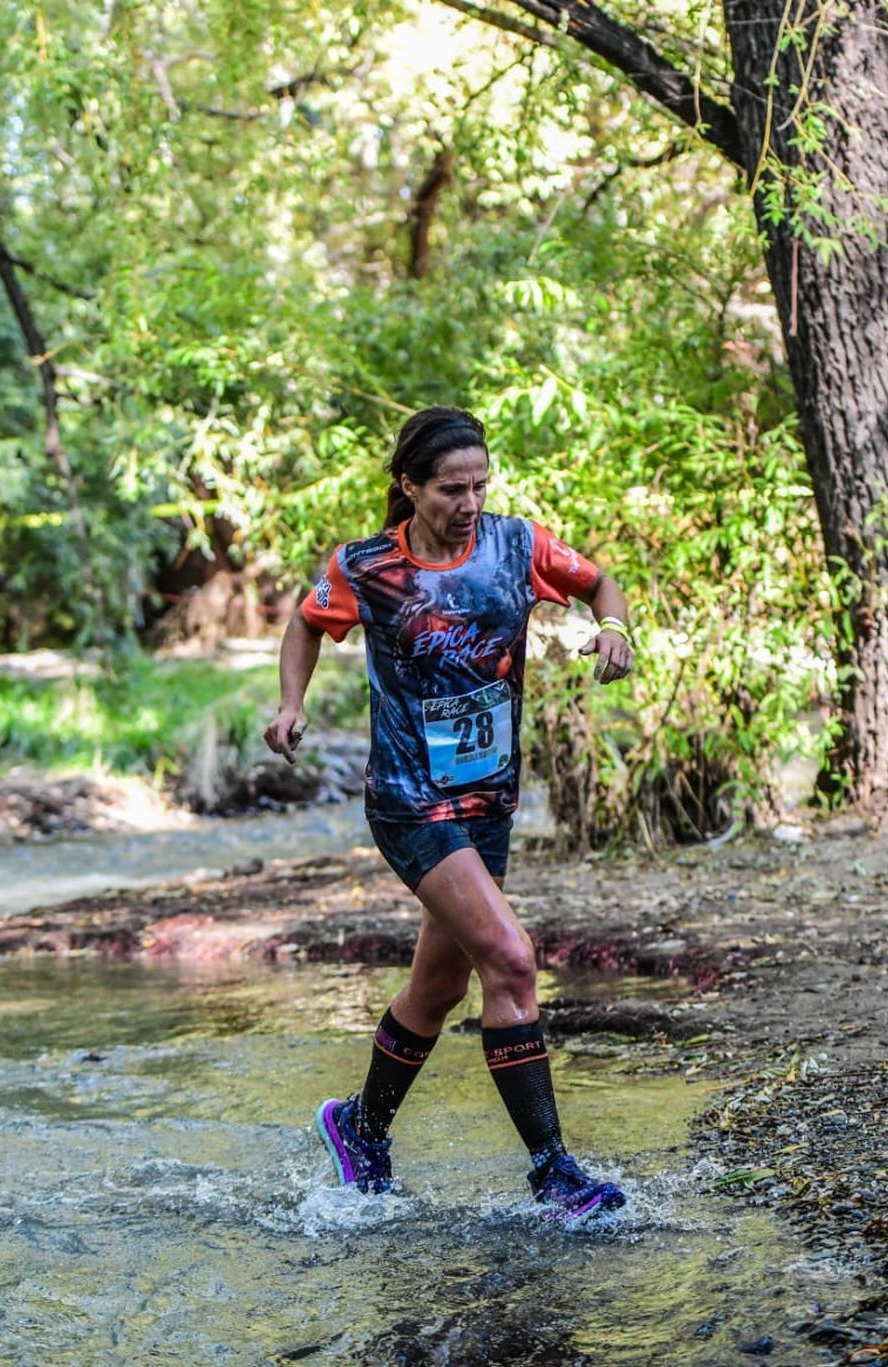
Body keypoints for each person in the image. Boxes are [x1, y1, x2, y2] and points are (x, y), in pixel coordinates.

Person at [264, 406, 634, 1222]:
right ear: (409, 486)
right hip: (409, 800)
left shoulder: (517, 544)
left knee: (436, 987)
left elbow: (599, 581)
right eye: (449, 489)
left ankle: (359, 1128)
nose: (469, 503)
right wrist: (290, 704)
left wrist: (611, 628)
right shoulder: (367, 568)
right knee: (511, 958)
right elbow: (305, 621)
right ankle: (554, 1175)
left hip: (487, 801)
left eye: (479, 485)